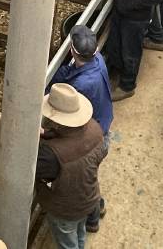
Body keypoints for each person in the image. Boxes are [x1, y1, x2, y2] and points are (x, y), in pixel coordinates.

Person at [47, 26, 113, 234]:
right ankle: (96, 209)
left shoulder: (83, 85)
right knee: (89, 178)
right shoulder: (97, 60)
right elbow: (71, 72)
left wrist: (48, 132)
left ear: (72, 50)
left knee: (83, 181)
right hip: (102, 126)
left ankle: (92, 218)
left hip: (92, 138)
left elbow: (70, 119)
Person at [36, 83, 107, 249]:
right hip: (87, 197)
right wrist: (47, 134)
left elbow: (31, 171)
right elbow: (73, 138)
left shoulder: (52, 155)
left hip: (65, 210)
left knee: (67, 243)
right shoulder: (95, 129)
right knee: (80, 231)